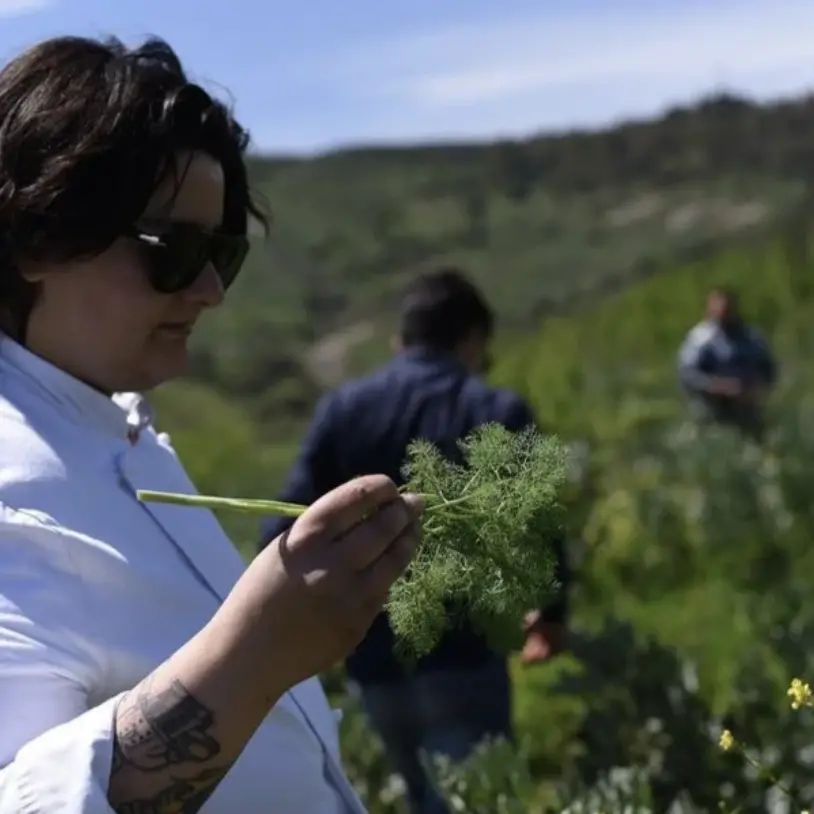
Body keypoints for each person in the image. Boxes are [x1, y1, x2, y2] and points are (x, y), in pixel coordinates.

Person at [0, 35, 424, 813]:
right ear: (39, 238)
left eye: (222, 254)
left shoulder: (120, 431)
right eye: (174, 250)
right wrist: (261, 650)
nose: (207, 290)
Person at [259, 269, 570, 814]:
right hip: (466, 654)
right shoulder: (495, 410)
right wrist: (553, 613)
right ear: (471, 339)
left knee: (417, 790)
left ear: (400, 341)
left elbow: (283, 531)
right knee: (468, 798)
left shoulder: (344, 409)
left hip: (371, 654)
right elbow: (541, 530)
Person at [677, 286, 778, 441]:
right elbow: (688, 374)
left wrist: (760, 386)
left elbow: (769, 367)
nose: (724, 313)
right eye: (719, 308)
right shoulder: (700, 339)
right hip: (713, 412)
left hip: (749, 409)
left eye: (727, 308)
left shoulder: (751, 336)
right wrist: (717, 386)